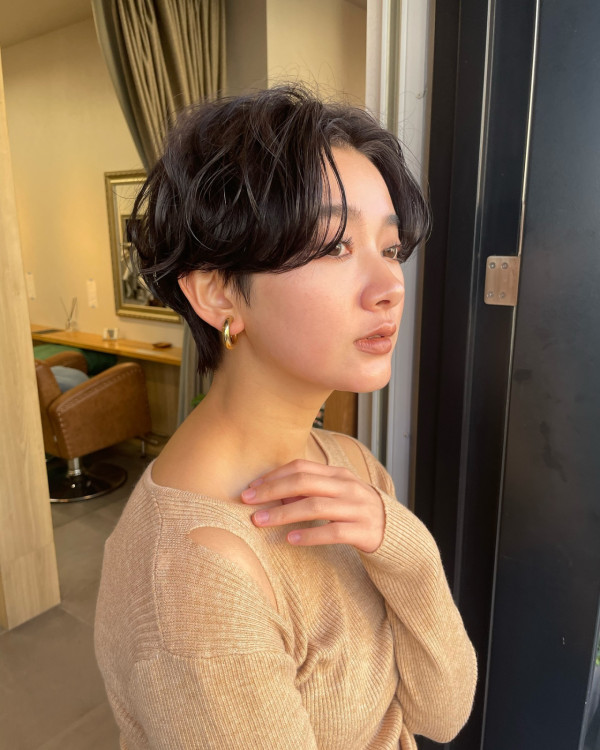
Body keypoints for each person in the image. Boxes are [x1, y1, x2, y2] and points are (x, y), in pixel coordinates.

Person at [95, 85, 477, 750]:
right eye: (333, 246)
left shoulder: (348, 466)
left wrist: (406, 551)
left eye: (390, 249)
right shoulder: (196, 578)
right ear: (218, 293)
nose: (390, 287)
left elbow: (440, 715)